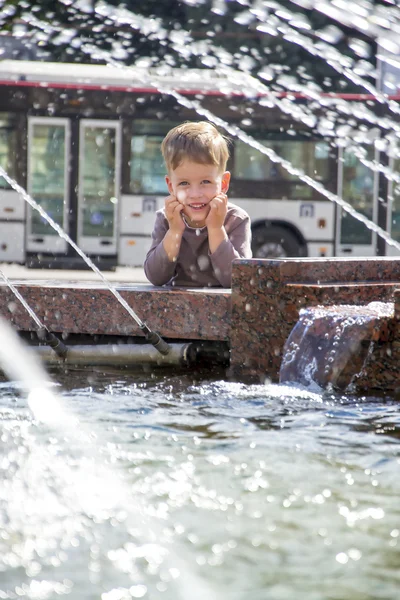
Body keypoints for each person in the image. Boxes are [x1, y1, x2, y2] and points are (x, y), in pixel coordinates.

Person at [144, 121, 252, 287]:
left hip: (225, 310)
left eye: (206, 181)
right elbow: (156, 277)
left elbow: (237, 280)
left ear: (223, 183)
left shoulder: (235, 219)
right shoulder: (167, 219)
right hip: (178, 308)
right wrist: (174, 231)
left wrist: (216, 228)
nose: (195, 194)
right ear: (171, 186)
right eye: (184, 183)